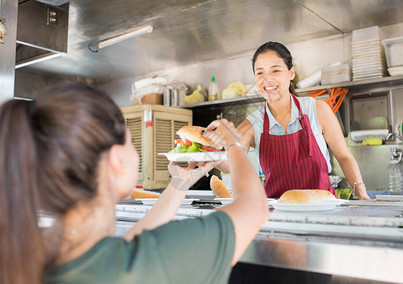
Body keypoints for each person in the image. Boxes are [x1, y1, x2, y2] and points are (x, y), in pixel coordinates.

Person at [0, 84, 268, 284]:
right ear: (117, 159)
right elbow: (254, 207)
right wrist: (233, 144)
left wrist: (179, 185)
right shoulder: (150, 263)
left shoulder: (29, 257)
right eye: (131, 141)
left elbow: (131, 248)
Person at [217, 41, 370, 200]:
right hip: (280, 216)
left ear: (291, 73)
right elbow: (230, 165)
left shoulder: (317, 110)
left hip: (322, 209)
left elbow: (344, 157)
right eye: (260, 73)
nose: (267, 79)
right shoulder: (253, 124)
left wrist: (360, 189)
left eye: (275, 70)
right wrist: (211, 152)